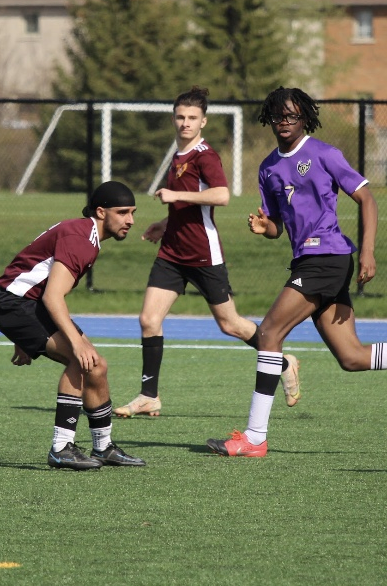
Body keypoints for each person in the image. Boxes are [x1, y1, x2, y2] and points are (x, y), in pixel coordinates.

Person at [205, 87, 387, 458]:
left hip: (328, 257)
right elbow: (277, 227)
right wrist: (264, 226)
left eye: (291, 116)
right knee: (352, 357)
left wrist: (367, 251)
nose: (284, 123)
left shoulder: (324, 154)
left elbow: (366, 198)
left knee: (269, 333)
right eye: (277, 117)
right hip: (308, 261)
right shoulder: (268, 167)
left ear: (304, 118)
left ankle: (255, 438)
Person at [114, 86, 301, 418]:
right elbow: (187, 205)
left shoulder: (205, 155)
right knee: (148, 320)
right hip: (171, 253)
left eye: (192, 118)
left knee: (230, 324)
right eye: (180, 117)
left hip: (203, 254)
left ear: (203, 122)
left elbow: (221, 195)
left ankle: (283, 361)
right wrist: (164, 223)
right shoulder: (177, 155)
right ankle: (148, 396)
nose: (185, 123)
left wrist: (176, 197)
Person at [0, 181, 146, 470]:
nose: (130, 221)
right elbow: (51, 296)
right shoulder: (80, 238)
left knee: (97, 366)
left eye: (133, 213)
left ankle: (103, 447)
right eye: (123, 212)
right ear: (101, 212)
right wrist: (74, 343)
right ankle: (61, 448)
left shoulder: (85, 234)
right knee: (80, 359)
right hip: (15, 305)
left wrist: (25, 337)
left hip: (26, 304)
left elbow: (32, 277)